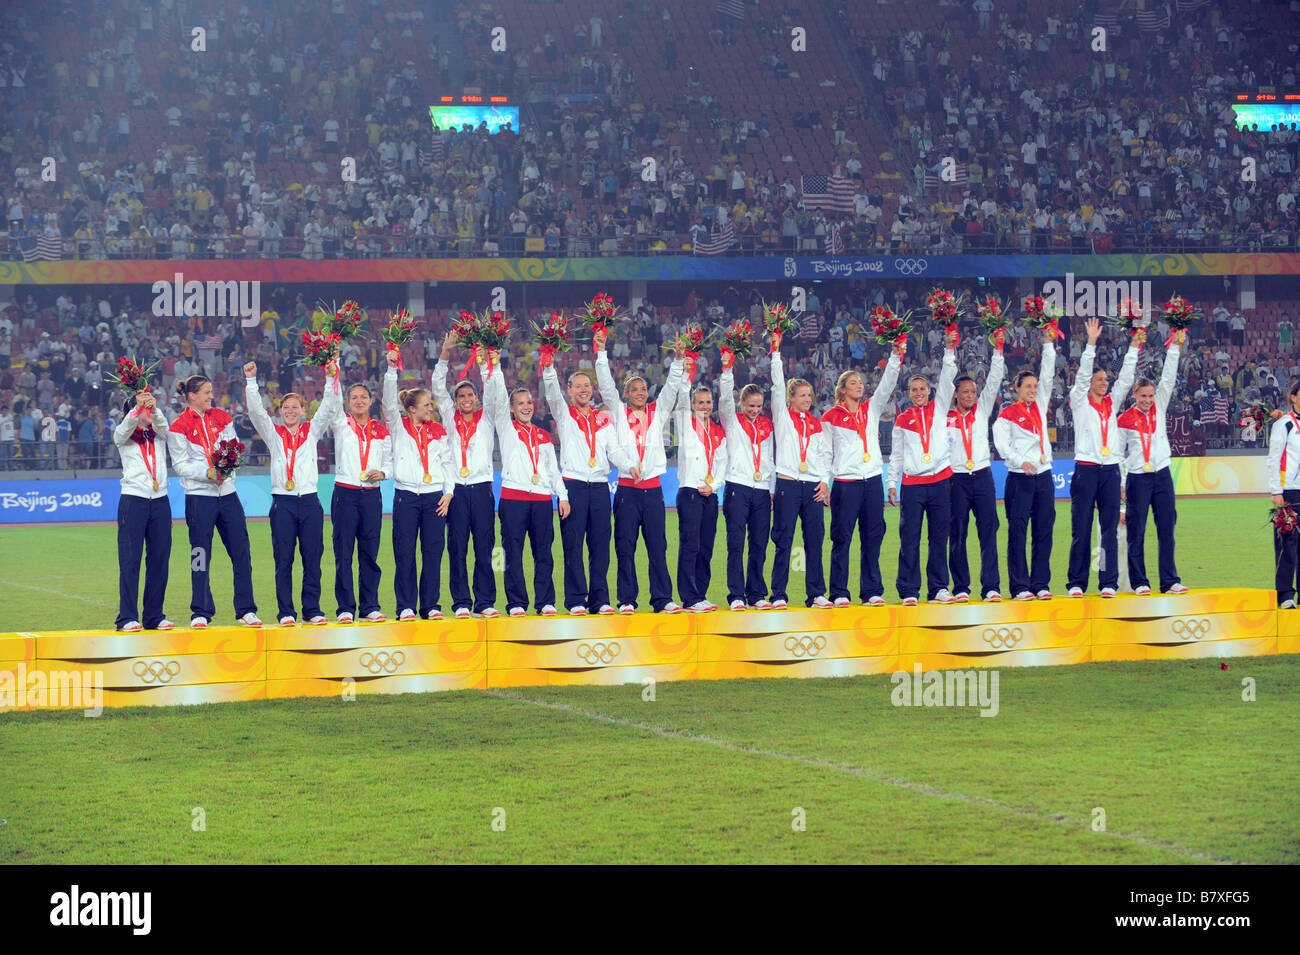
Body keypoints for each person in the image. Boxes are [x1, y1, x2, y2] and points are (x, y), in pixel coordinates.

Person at [594, 327, 685, 614]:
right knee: (625, 546)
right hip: (627, 491)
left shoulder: (658, 412)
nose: (640, 392)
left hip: (654, 489)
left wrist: (679, 361)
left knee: (658, 547)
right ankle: (626, 600)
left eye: (644, 388)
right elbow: (606, 385)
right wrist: (600, 352)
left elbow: (671, 389)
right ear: (626, 394)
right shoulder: (619, 413)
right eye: (634, 389)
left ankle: (662, 598)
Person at [243, 359, 339, 626]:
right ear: (281, 411)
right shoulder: (274, 434)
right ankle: (286, 612)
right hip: (282, 504)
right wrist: (251, 382)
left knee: (312, 559)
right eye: (286, 407)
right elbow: (256, 413)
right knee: (283, 560)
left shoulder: (312, 431)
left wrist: (331, 378)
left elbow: (329, 407)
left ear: (302, 410)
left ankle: (312, 610)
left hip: (309, 502)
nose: (290, 411)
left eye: (295, 407)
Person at [541, 350, 633, 615]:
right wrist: (549, 370)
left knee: (600, 545)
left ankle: (600, 599)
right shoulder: (565, 413)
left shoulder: (604, 417)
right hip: (574, 485)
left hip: (601, 487)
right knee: (573, 545)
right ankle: (576, 600)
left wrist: (628, 466)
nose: (583, 389)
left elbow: (613, 451)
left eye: (587, 385)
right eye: (577, 386)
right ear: (569, 391)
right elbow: (551, 395)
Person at [167, 374, 260, 628]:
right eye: (206, 392)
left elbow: (233, 446)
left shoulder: (222, 417)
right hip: (199, 498)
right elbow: (180, 465)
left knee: (241, 552)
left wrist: (227, 465)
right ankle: (201, 611)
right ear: (192, 396)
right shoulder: (178, 426)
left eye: (211, 391)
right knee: (199, 555)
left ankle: (246, 610)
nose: (211, 395)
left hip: (228, 495)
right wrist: (207, 472)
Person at [484, 351, 569, 617]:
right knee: (512, 554)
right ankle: (516, 602)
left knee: (544, 553)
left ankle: (545, 602)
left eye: (529, 402)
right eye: (520, 403)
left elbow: (552, 470)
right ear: (511, 408)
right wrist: (495, 367)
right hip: (514, 498)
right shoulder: (507, 428)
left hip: (543, 500)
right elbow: (496, 399)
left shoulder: (543, 434)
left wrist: (562, 496)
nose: (526, 406)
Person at [822, 338, 905, 606]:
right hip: (845, 484)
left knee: (873, 536)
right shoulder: (830, 416)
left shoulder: (871, 408)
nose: (860, 386)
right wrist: (825, 482)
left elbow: (887, 384)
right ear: (842, 389)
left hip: (871, 481)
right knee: (842, 539)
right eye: (854, 383)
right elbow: (825, 454)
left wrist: (895, 356)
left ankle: (871, 590)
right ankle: (838, 592)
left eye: (861, 383)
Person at [1065, 318, 1139, 598]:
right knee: (1081, 528)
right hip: (1086, 469)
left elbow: (1127, 378)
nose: (1104, 383)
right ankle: (1076, 583)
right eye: (1099, 380)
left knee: (1109, 529)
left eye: (1105, 380)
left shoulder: (1111, 403)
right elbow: (1083, 375)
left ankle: (1108, 583)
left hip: (1110, 471)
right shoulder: (1079, 401)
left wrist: (1133, 347)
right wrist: (1091, 344)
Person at [887, 330, 959, 605]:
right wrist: (891, 483)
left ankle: (939, 588)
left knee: (939, 537)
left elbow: (948, 378)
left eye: (922, 389)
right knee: (910, 539)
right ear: (908, 394)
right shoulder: (902, 420)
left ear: (930, 392)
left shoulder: (940, 409)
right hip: (913, 485)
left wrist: (950, 351)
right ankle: (908, 590)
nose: (918, 393)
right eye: (914, 390)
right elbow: (896, 455)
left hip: (941, 481)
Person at [383, 349, 454, 620]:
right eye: (426, 405)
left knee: (433, 552)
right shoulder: (398, 427)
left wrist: (449, 493)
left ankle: (431, 605)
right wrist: (391, 372)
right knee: (405, 553)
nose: (431, 408)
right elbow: (389, 404)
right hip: (406, 496)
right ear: (412, 409)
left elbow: (448, 463)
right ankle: (406, 606)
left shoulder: (438, 430)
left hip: (435, 496)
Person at [433, 332, 499, 618]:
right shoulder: (449, 418)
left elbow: (495, 391)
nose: (466, 399)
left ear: (477, 397)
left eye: (470, 394)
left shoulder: (487, 418)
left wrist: (485, 363)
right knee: (457, 548)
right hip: (457, 491)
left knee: (485, 548)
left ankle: (485, 601)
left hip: (483, 488)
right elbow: (437, 387)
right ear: (455, 400)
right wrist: (445, 353)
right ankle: (461, 602)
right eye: (460, 395)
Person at [1116, 331, 1188, 595]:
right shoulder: (1123, 419)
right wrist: (1122, 484)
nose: (1148, 400)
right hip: (1137, 478)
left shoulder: (1160, 405)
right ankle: (1140, 582)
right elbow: (1117, 453)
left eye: (1150, 395)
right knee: (1136, 530)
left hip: (1162, 475)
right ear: (1135, 394)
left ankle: (1169, 581)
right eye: (1143, 396)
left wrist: (1176, 346)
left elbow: (1169, 376)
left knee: (1167, 528)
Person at [768, 329, 833, 609]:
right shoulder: (782, 416)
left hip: (813, 487)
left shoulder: (816, 423)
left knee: (815, 542)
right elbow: (776, 386)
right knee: (784, 542)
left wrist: (824, 481)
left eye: (809, 395)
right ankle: (779, 594)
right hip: (788, 484)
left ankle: (816, 593)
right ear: (791, 398)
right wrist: (776, 351)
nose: (807, 399)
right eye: (802, 395)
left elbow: (824, 456)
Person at [993, 327, 1059, 600]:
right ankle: (1020, 586)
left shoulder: (1040, 404)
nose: (1033, 390)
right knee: (1018, 533)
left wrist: (1048, 343)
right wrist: (1020, 461)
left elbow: (1048, 374)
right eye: (1027, 386)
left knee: (1044, 531)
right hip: (1019, 478)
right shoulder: (1007, 413)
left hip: (1043, 476)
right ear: (1016, 388)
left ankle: (1041, 583)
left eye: (1035, 386)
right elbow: (1002, 445)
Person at [322, 380, 393, 622]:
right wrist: (333, 369)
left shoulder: (381, 430)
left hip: (372, 495)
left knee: (369, 553)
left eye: (363, 397)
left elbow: (390, 461)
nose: (359, 401)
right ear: (348, 402)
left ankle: (370, 606)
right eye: (354, 398)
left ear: (371, 401)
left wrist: (383, 473)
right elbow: (331, 400)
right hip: (345, 493)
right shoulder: (342, 424)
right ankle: (345, 608)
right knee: (343, 553)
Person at [946, 329, 1006, 602]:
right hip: (955, 479)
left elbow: (994, 380)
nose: (972, 395)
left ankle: (991, 586)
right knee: (957, 534)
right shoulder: (943, 416)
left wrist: (999, 350)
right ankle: (960, 587)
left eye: (974, 391)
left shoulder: (982, 410)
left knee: (988, 532)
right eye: (966, 391)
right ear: (956, 393)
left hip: (982, 476)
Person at [718, 347, 774, 611]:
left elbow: (770, 460)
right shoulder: (732, 421)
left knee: (759, 544)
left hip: (762, 490)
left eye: (759, 406)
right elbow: (724, 400)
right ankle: (737, 595)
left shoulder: (767, 425)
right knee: (736, 544)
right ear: (742, 404)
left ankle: (757, 593)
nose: (755, 410)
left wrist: (772, 488)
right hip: (737, 488)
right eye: (751, 406)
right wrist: (727, 369)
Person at [113, 389, 173, 632]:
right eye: (143, 409)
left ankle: (154, 616)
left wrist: (155, 408)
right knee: (130, 561)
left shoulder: (157, 435)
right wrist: (137, 408)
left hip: (160, 501)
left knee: (159, 560)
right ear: (135, 412)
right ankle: (127, 617)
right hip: (133, 500)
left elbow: (165, 427)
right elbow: (122, 430)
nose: (148, 411)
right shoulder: (124, 436)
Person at [674, 379, 728, 612]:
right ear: (693, 405)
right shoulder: (686, 424)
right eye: (700, 402)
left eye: (708, 402)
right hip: (690, 492)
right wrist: (687, 375)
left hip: (710, 494)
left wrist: (714, 486)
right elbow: (681, 406)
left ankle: (701, 594)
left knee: (706, 547)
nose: (705, 406)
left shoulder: (718, 431)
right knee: (691, 545)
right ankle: (689, 597)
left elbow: (722, 463)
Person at [1269, 379, 1300, 608]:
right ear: (1293, 397)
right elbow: (1273, 459)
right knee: (1287, 545)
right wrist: (1276, 491)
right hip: (1288, 491)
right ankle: (1285, 595)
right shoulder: (1284, 424)